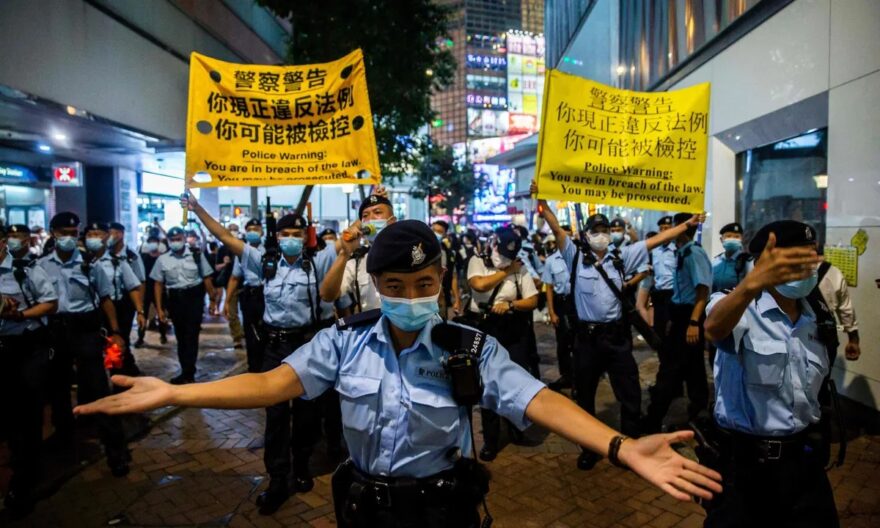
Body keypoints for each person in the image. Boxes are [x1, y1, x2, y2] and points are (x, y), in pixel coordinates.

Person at [75, 219, 722, 528]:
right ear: (377, 286)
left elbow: (538, 401)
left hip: (445, 512)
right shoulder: (345, 342)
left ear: (442, 282)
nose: (412, 293)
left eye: (425, 282)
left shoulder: (468, 348)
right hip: (364, 509)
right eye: (396, 284)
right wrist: (178, 391)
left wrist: (618, 445)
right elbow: (273, 384)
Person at [184, 191, 340, 515]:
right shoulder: (263, 261)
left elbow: (348, 244)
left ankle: (301, 467)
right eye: (286, 234)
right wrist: (197, 208)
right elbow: (225, 236)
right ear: (277, 237)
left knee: (308, 414)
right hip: (275, 346)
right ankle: (278, 479)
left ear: (305, 237)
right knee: (276, 416)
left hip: (307, 346)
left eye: (298, 234)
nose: (292, 239)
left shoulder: (317, 262)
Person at [534, 180, 704, 470]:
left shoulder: (623, 256)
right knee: (584, 395)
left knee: (630, 392)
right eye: (595, 231)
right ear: (585, 235)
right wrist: (544, 202)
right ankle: (589, 447)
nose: (601, 235)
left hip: (616, 337)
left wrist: (687, 225)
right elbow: (556, 229)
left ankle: (631, 444)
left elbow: (656, 241)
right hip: (587, 339)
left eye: (604, 230)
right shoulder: (574, 257)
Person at [702, 220, 836, 527]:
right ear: (764, 263)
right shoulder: (735, 304)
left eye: (810, 257)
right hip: (747, 467)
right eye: (793, 260)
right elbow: (715, 329)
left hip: (804, 462)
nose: (806, 267)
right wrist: (752, 285)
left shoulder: (817, 314)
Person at [37, 212, 130, 476]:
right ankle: (65, 444)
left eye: (73, 232)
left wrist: (115, 332)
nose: (69, 237)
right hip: (55, 331)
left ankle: (116, 451)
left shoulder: (90, 264)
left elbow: (105, 299)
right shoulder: (41, 265)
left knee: (99, 388)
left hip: (85, 330)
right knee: (58, 391)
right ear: (53, 233)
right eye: (63, 232)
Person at [466, 226, 540, 461]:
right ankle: (490, 439)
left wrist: (511, 305)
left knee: (515, 381)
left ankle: (516, 429)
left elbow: (532, 300)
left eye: (511, 254)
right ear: (494, 244)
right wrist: (506, 270)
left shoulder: (521, 267)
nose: (506, 257)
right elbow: (479, 285)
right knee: (486, 382)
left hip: (512, 329)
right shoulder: (478, 261)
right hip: (485, 327)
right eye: (503, 250)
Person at [0, 225, 58, 517]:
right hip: (2, 349)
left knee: (28, 413)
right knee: (9, 415)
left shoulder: (26, 270)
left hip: (27, 347)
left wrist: (19, 313)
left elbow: (51, 303)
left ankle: (25, 482)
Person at [643, 213, 713, 433]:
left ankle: (653, 420)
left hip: (689, 316)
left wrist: (693, 322)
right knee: (693, 368)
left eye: (674, 227)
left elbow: (702, 290)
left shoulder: (693, 253)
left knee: (670, 370)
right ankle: (698, 413)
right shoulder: (682, 252)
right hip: (680, 315)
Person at [150, 225, 215, 384]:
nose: (175, 242)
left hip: (193, 298)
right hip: (175, 300)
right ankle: (185, 369)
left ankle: (189, 371)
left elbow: (207, 278)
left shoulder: (196, 255)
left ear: (184, 239)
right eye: (172, 240)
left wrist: (213, 300)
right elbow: (158, 284)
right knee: (180, 336)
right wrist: (159, 309)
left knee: (191, 335)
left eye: (178, 239)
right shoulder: (163, 259)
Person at [320, 193, 396, 313]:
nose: (370, 219)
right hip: (370, 329)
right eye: (365, 216)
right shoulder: (357, 261)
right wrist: (345, 253)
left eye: (377, 212)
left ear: (392, 221)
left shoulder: (408, 253)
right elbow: (327, 295)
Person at [101, 222, 147, 375]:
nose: (108, 237)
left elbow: (139, 282)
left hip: (125, 304)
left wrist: (139, 309)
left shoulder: (131, 256)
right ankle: (127, 367)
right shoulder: (102, 255)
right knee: (110, 339)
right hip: (105, 304)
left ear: (120, 234)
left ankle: (121, 372)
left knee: (121, 338)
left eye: (111, 233)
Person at [226, 218, 266, 372]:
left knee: (266, 331)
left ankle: (266, 366)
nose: (253, 232)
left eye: (256, 229)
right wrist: (227, 301)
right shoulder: (241, 252)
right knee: (250, 332)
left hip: (266, 294)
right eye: (250, 230)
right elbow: (235, 277)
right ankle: (253, 367)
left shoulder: (270, 250)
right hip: (249, 295)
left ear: (262, 231)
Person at [541, 234, 575, 391]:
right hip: (561, 303)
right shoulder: (551, 261)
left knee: (578, 343)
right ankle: (566, 375)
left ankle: (579, 378)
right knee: (562, 343)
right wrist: (552, 312)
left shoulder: (577, 256)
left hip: (577, 302)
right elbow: (548, 287)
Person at [815, 255, 860, 361]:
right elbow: (846, 309)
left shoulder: (777, 271)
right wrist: (853, 339)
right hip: (824, 337)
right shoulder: (832, 272)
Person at [135, 231, 168, 347]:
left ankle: (163, 335)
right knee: (142, 313)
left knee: (161, 312)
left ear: (158, 244)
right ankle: (140, 337)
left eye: (154, 242)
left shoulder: (163, 257)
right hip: (146, 289)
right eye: (150, 242)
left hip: (159, 289)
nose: (152, 244)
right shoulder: (143, 257)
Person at [218, 222, 244, 349]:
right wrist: (224, 264)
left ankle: (245, 332)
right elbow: (216, 267)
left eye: (235, 229)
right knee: (232, 313)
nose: (233, 232)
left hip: (245, 285)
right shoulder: (223, 249)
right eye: (231, 229)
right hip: (230, 286)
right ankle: (237, 337)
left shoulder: (244, 246)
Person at [431, 220, 462, 317]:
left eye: (439, 232)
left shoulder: (448, 253)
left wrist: (457, 299)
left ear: (445, 234)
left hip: (442, 299)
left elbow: (453, 277)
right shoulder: (420, 250)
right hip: (423, 298)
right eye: (433, 230)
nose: (435, 234)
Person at [711, 223, 753, 293]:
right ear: (721, 239)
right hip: (715, 301)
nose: (732, 239)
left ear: (741, 239)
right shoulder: (716, 261)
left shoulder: (747, 261)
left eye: (736, 237)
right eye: (728, 236)